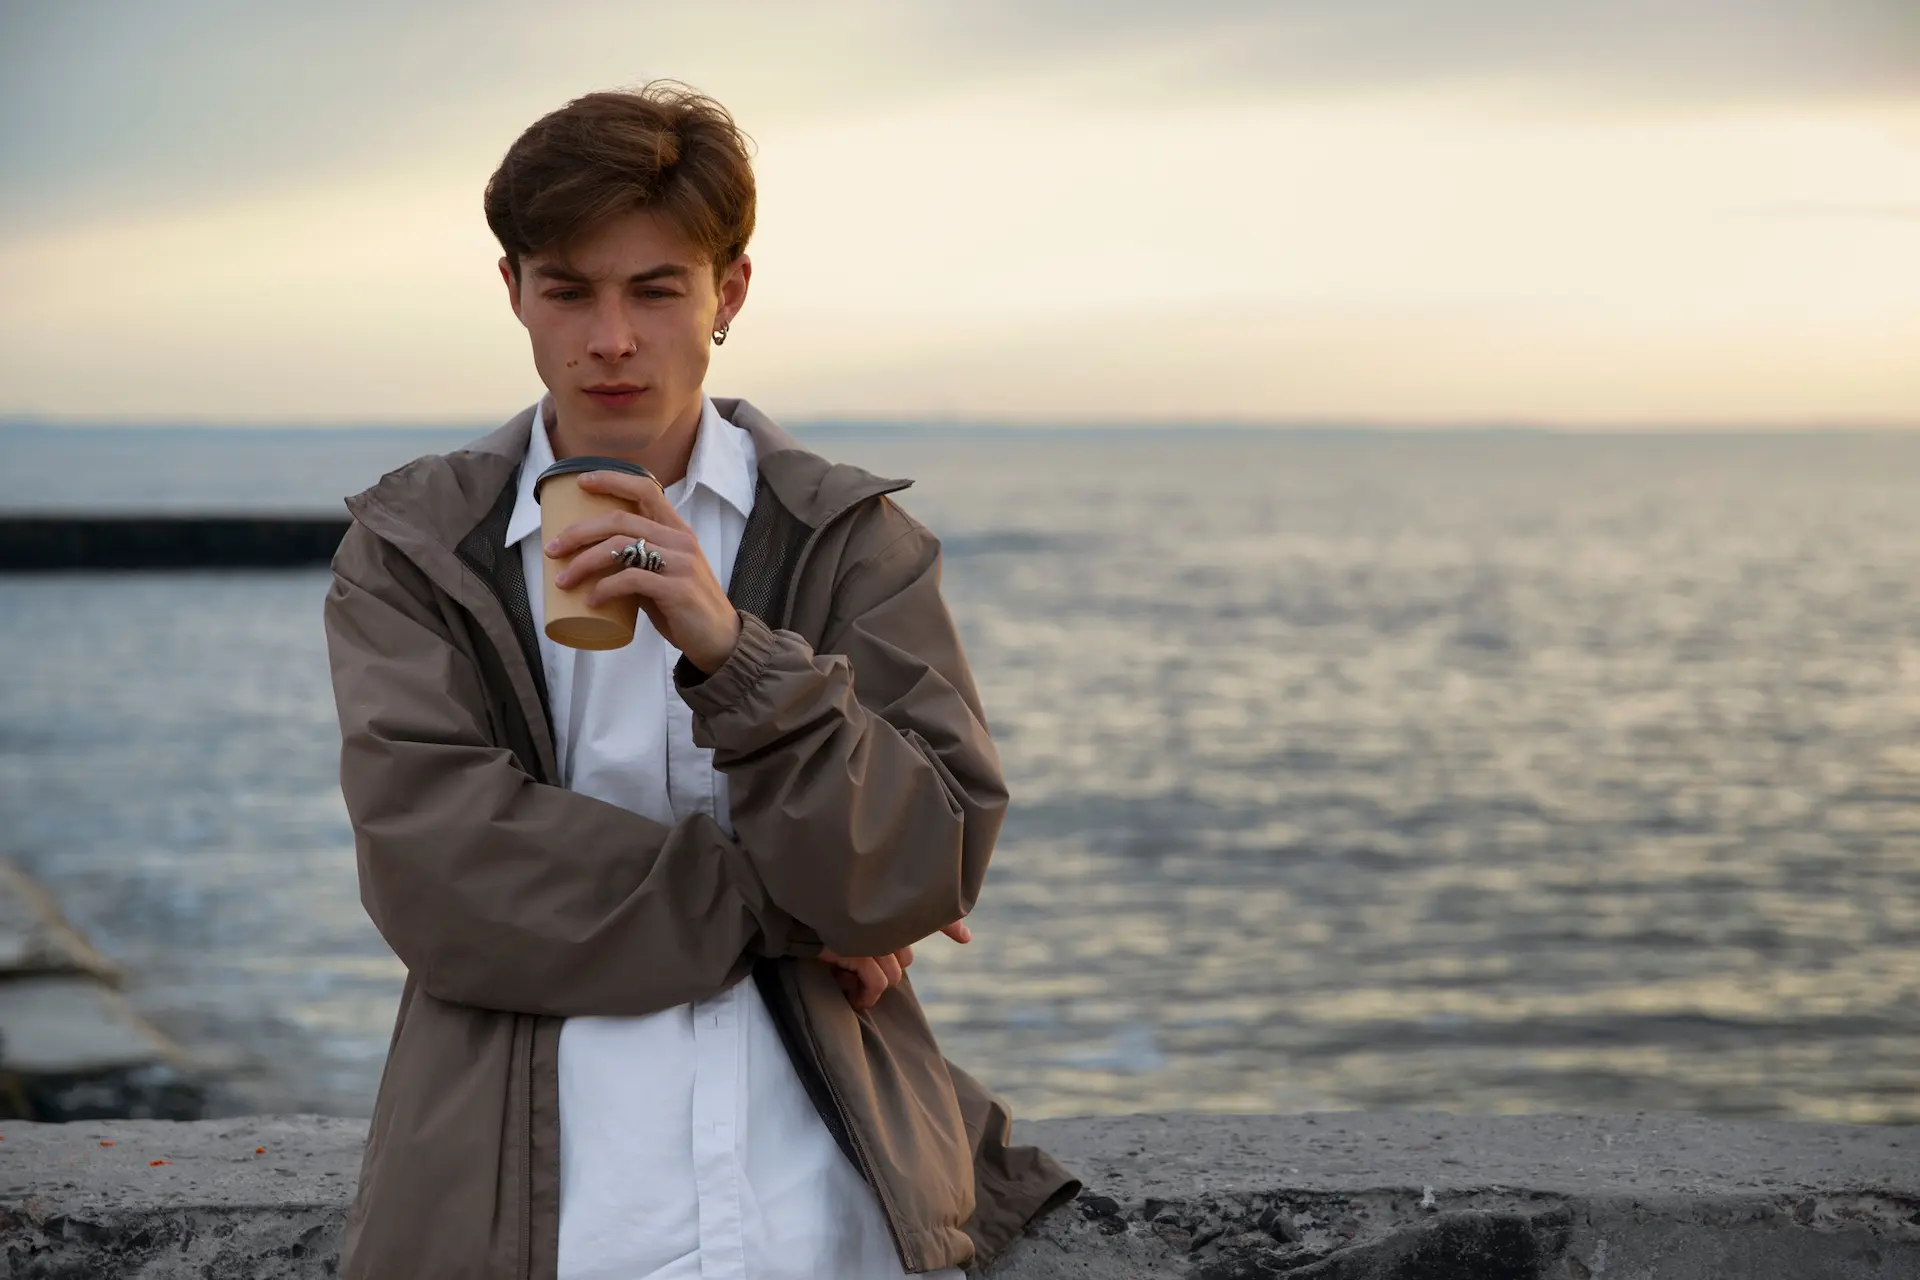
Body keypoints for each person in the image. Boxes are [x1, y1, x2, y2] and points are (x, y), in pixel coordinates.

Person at [321, 83, 1078, 1279]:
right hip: (529, 1207)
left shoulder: (845, 536)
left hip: (823, 1200)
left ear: (728, 292)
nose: (609, 338)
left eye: (656, 288)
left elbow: (924, 859)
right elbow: (439, 872)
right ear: (513, 290)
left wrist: (736, 652)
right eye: (568, 289)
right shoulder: (416, 545)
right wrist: (793, 911)